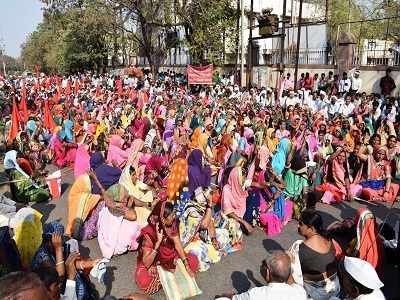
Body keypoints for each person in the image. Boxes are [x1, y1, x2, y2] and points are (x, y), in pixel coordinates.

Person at [135, 201, 199, 295]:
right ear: (163, 219)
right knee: (143, 280)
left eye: (174, 214)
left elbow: (177, 245)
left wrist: (186, 266)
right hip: (153, 262)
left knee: (193, 261)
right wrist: (158, 243)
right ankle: (169, 277)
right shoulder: (149, 233)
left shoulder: (172, 224)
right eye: (172, 215)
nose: (174, 217)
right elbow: (146, 263)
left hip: (170, 258)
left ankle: (167, 278)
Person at [288, 209, 342, 300]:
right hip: (335, 287)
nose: (297, 226)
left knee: (285, 268)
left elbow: (291, 272)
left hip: (316, 294)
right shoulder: (329, 239)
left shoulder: (299, 247)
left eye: (301, 224)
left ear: (311, 228)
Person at [216, 251, 307, 300]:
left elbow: (234, 298)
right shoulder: (300, 291)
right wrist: (287, 263)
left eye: (263, 264)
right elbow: (290, 280)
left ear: (267, 273)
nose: (261, 266)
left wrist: (225, 296)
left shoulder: (255, 294)